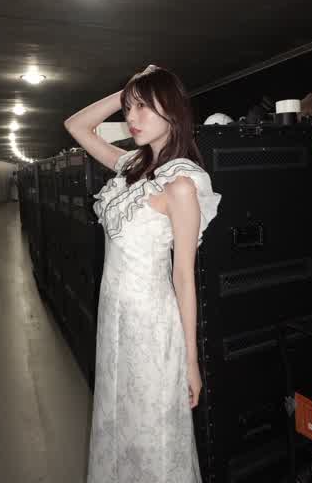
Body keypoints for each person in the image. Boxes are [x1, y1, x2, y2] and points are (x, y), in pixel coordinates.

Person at [64, 64, 222, 483]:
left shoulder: (181, 184)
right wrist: (130, 88)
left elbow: (183, 277)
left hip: (152, 325)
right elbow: (76, 125)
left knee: (155, 431)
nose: (131, 118)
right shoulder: (130, 166)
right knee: (118, 418)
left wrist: (191, 360)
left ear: (172, 110)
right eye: (128, 108)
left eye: (143, 108)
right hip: (114, 317)